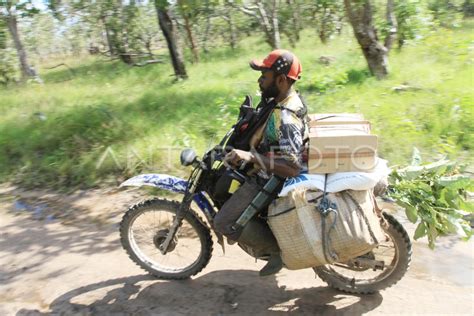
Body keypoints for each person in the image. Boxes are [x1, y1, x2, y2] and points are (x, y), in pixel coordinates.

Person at [214, 49, 309, 276]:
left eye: (263, 76)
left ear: (281, 80)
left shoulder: (286, 116)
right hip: (268, 167)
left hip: (270, 179)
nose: (259, 81)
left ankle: (277, 252)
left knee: (223, 222)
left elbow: (292, 167)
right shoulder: (284, 101)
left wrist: (252, 157)